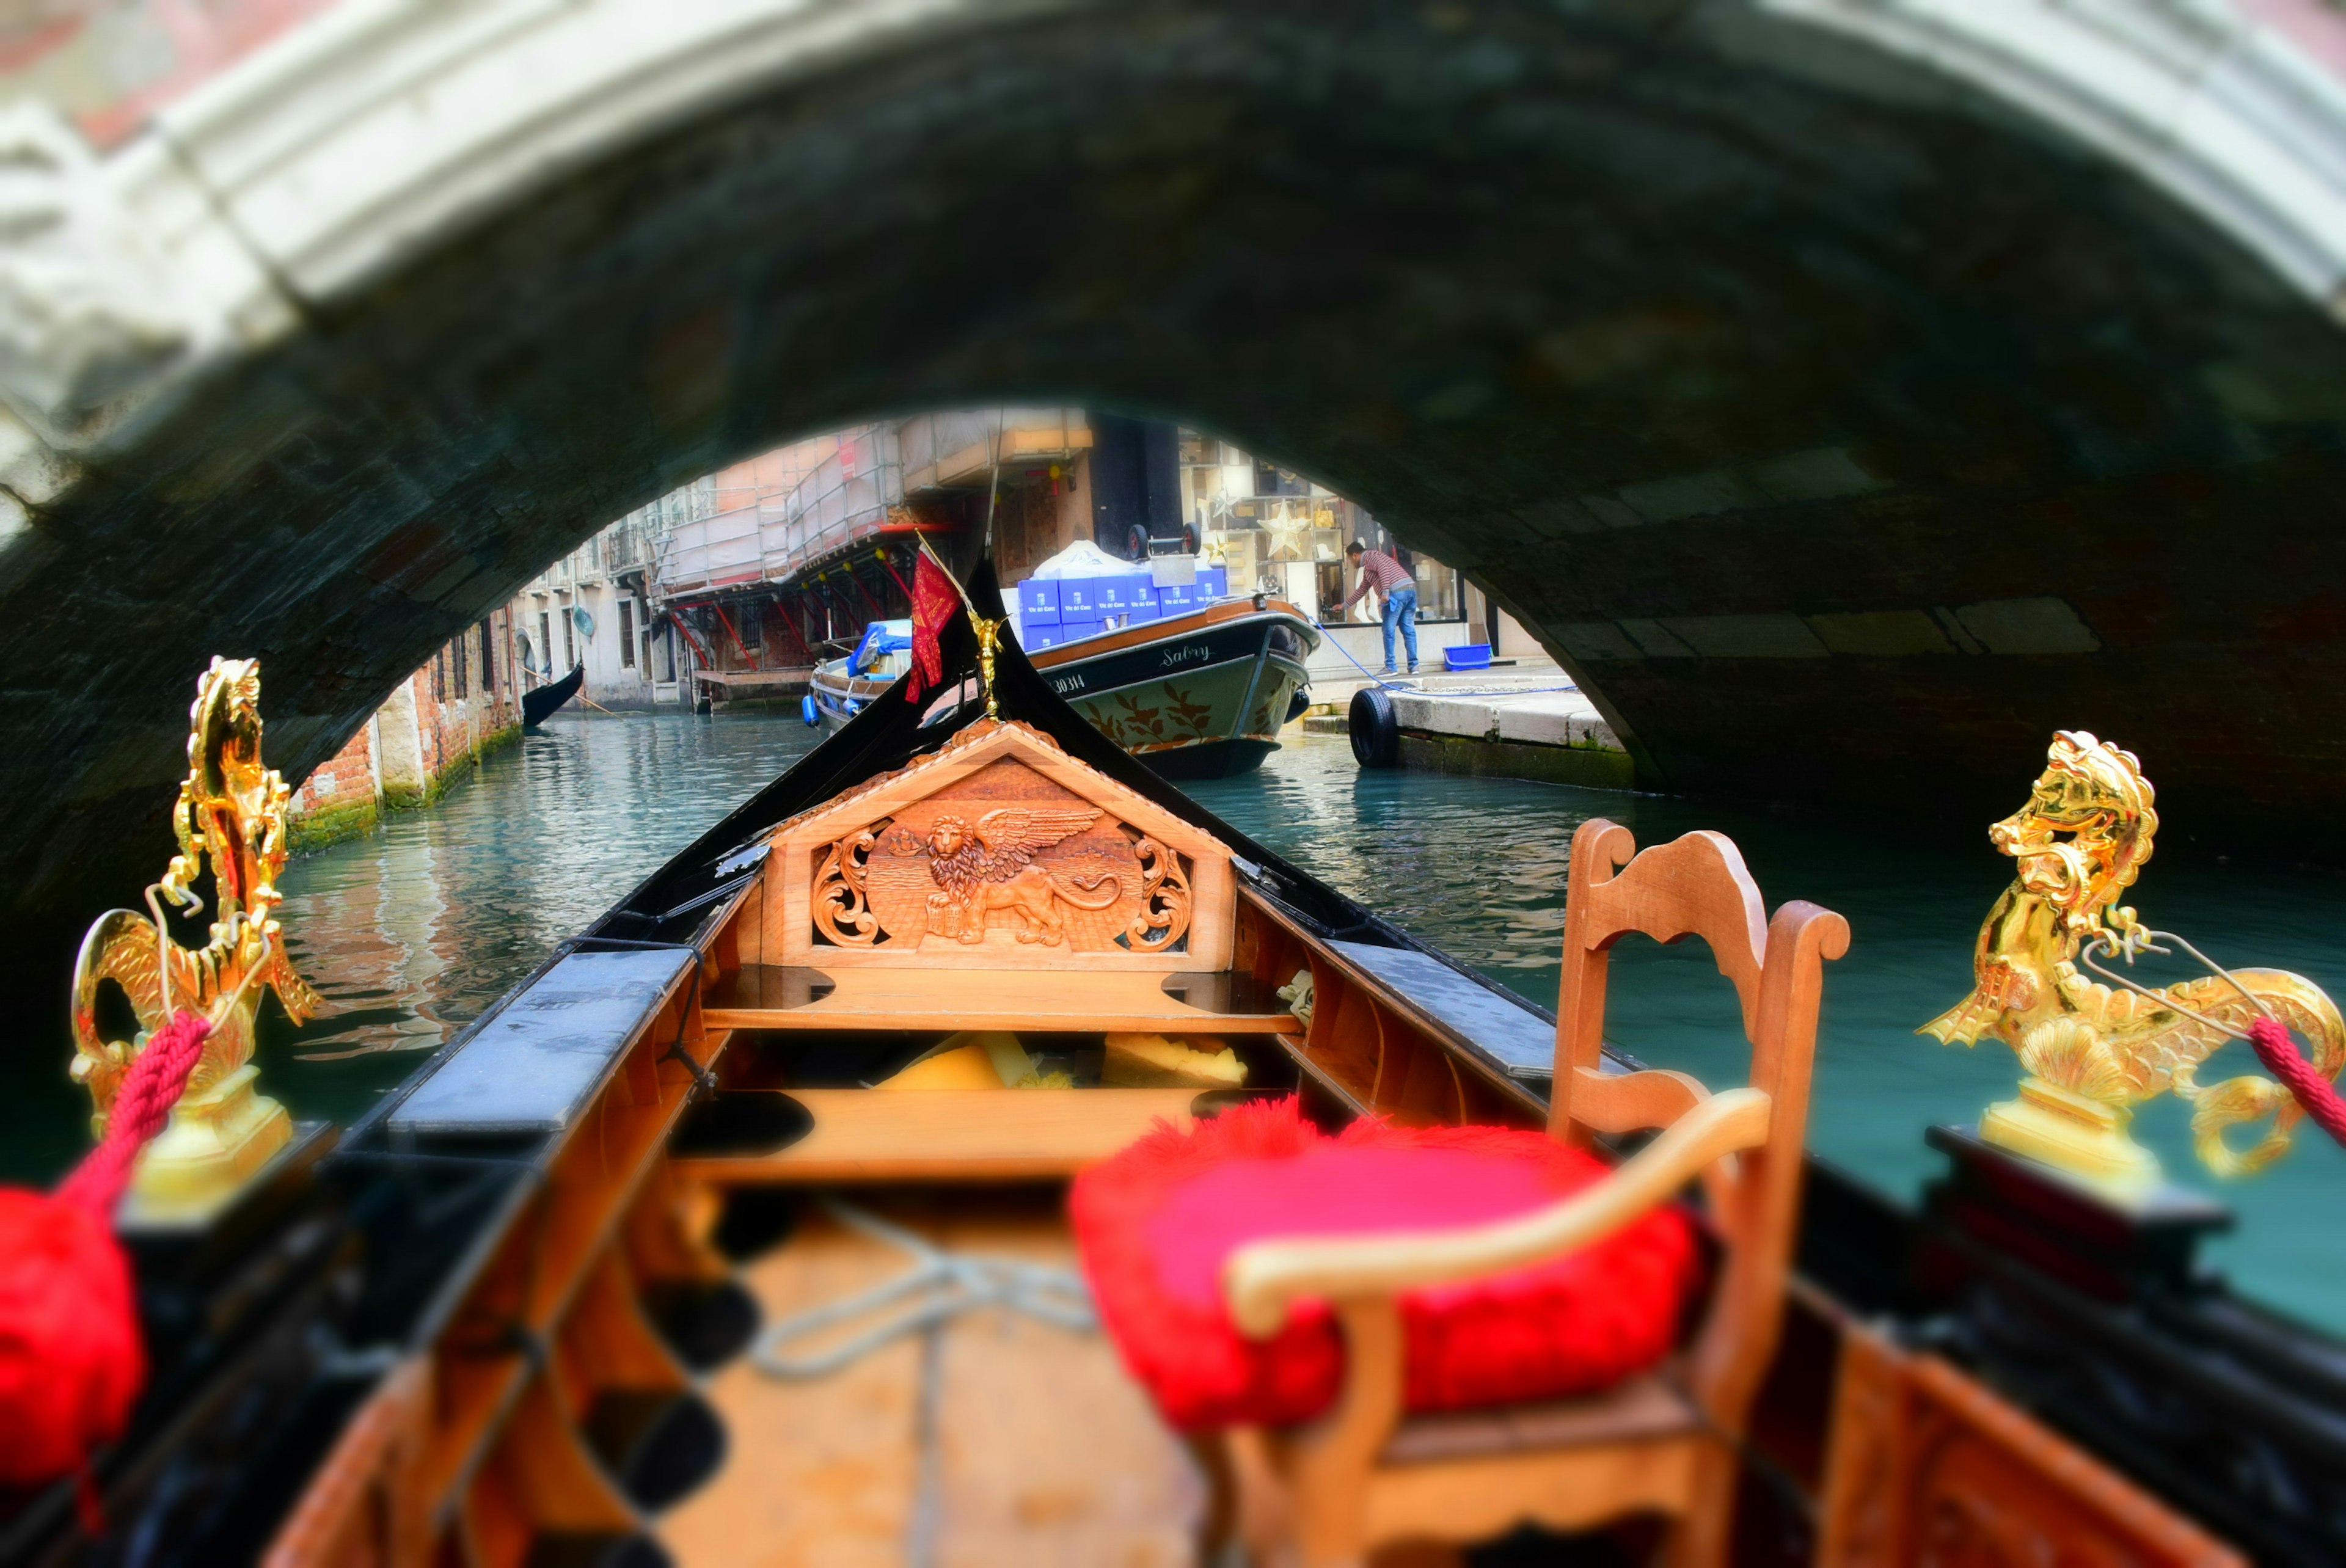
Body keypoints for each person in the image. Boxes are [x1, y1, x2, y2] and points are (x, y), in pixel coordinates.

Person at [1340, 538, 1418, 674]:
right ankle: (1414, 666)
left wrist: (1386, 592)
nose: (1351, 563)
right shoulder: (1369, 569)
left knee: (1388, 630)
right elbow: (1362, 590)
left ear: (1355, 555)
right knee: (1408, 630)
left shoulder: (1369, 557)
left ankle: (1391, 667)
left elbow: (1383, 568)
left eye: (1350, 560)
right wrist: (1344, 605)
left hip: (1396, 594)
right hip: (1410, 591)